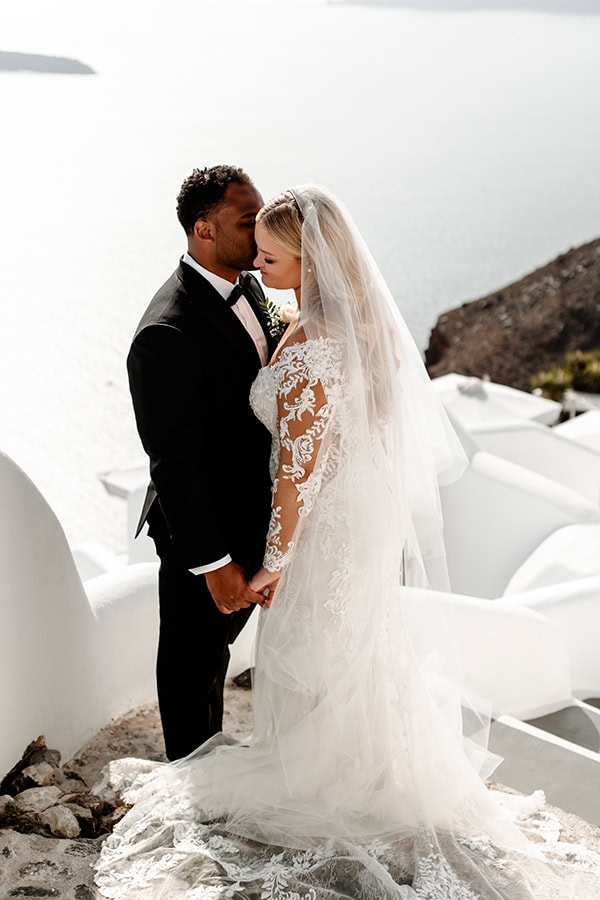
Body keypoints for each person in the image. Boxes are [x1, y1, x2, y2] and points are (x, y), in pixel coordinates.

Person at [96, 186, 600, 898]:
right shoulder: (348, 330)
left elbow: (297, 476)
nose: (258, 269)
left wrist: (273, 563)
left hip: (313, 536)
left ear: (309, 264)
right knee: (349, 656)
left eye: (271, 257)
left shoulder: (311, 346)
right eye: (255, 249)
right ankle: (358, 773)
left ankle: (324, 783)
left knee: (312, 656)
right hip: (349, 533)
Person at [127, 165, 281, 761]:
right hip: (205, 531)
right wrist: (213, 563)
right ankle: (194, 788)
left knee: (216, 657)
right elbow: (174, 462)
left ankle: (211, 765)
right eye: (250, 221)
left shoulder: (251, 284)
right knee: (192, 666)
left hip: (255, 515)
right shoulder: (166, 331)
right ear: (204, 230)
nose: (263, 231)